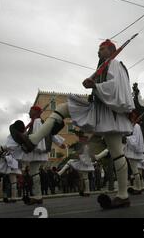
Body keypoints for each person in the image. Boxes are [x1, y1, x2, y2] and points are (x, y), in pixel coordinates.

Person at [9, 39, 134, 209]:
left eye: (102, 49)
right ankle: (33, 140)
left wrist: (95, 85)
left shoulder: (115, 63)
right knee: (63, 108)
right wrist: (93, 85)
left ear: (111, 50)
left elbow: (116, 87)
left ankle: (123, 194)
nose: (98, 52)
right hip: (101, 110)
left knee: (117, 153)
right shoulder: (104, 66)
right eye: (98, 49)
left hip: (109, 113)